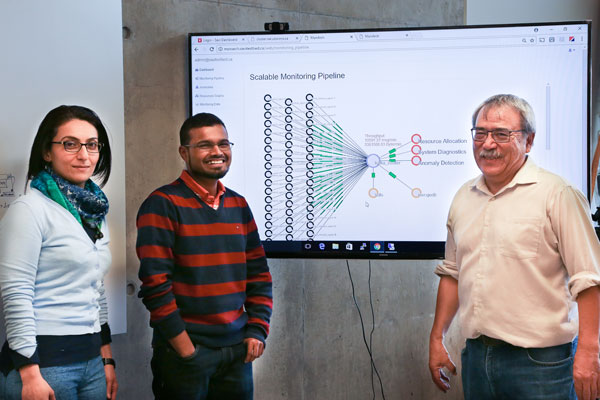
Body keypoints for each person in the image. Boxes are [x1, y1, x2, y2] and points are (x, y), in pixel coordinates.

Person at [428, 94, 600, 400]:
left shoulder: (558, 195)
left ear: (529, 141)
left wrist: (588, 352)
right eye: (480, 133)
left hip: (542, 364)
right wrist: (437, 338)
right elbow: (453, 273)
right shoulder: (463, 197)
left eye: (501, 134)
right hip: (478, 358)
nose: (488, 143)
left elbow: (589, 279)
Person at [136, 112, 273, 400]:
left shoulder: (238, 204)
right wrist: (185, 349)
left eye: (223, 144)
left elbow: (259, 275)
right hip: (186, 355)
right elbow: (155, 285)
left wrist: (257, 330)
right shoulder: (162, 204)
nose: (217, 152)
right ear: (183, 152)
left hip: (237, 353)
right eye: (205, 145)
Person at [0, 105, 118, 400]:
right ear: (47, 152)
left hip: (92, 361)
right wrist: (29, 372)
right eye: (70, 144)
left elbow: (96, 288)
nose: (84, 155)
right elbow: (16, 294)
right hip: (45, 364)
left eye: (92, 145)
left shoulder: (94, 214)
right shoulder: (29, 210)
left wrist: (106, 358)